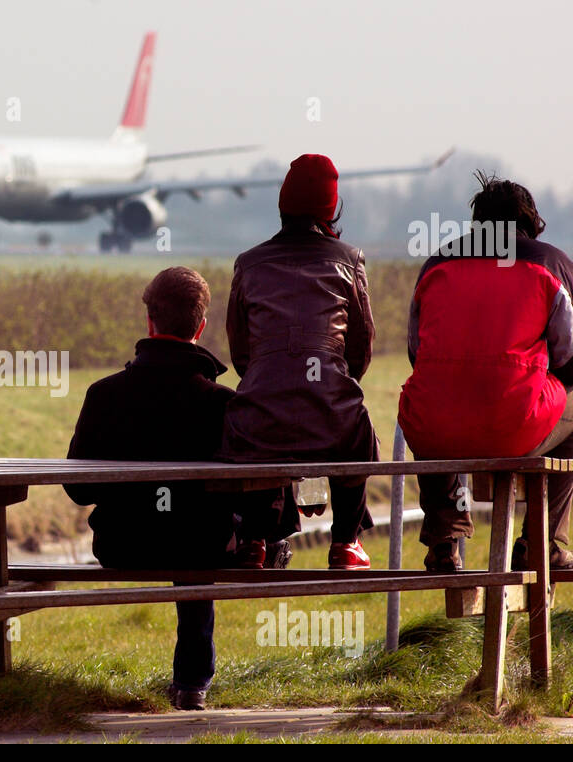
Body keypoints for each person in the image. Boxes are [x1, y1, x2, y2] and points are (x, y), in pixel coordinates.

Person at [399, 173, 573, 572]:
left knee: (434, 400)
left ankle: (443, 539)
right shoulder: (549, 262)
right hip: (514, 424)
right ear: (530, 223)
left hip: (434, 427)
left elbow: (417, 354)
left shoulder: (437, 264)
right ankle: (544, 542)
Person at [65, 266, 237, 711]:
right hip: (204, 548)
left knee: (187, 536)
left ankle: (192, 681)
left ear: (149, 322)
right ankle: (192, 683)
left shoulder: (103, 394)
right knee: (197, 539)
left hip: (123, 544)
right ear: (200, 326)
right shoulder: (223, 403)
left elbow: (77, 489)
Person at [219, 153, 378, 570]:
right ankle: (346, 541)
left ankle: (253, 540)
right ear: (331, 207)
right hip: (333, 417)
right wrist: (334, 382)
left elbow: (240, 353)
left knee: (253, 425)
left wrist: (268, 376)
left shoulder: (248, 263)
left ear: (282, 204)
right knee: (359, 431)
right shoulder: (349, 260)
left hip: (260, 413)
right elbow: (360, 349)